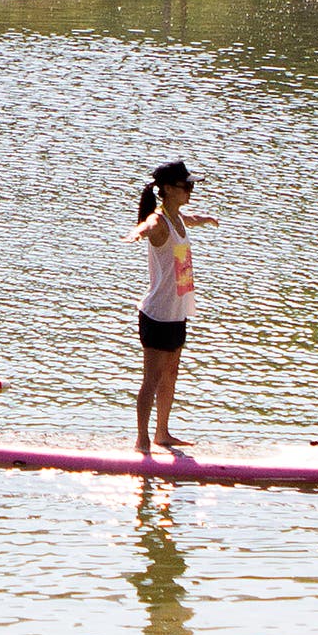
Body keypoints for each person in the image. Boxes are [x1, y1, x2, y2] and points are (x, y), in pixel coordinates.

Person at [131, 161, 214, 456]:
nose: (190, 190)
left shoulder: (176, 216)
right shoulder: (159, 221)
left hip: (177, 312)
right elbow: (149, 226)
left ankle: (162, 433)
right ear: (167, 189)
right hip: (156, 315)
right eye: (186, 186)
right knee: (151, 379)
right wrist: (138, 232)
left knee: (171, 374)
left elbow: (188, 219)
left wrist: (204, 219)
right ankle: (142, 440)